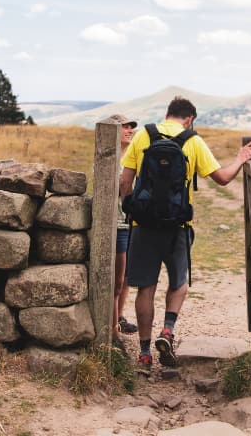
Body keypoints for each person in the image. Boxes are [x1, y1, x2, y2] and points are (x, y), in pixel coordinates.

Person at [119, 96, 251, 373]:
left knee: (145, 288)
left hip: (143, 227)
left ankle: (145, 354)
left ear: (167, 114)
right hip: (177, 227)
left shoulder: (143, 135)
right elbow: (222, 178)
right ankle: (168, 331)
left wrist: (136, 209)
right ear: (190, 118)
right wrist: (241, 158)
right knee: (179, 282)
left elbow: (125, 181)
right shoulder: (192, 140)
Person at [106, 113, 139, 344]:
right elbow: (116, 191)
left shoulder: (133, 157)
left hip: (131, 223)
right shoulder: (108, 159)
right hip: (116, 224)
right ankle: (112, 334)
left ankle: (119, 317)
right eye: (124, 127)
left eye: (130, 127)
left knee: (127, 277)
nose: (129, 130)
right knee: (116, 281)